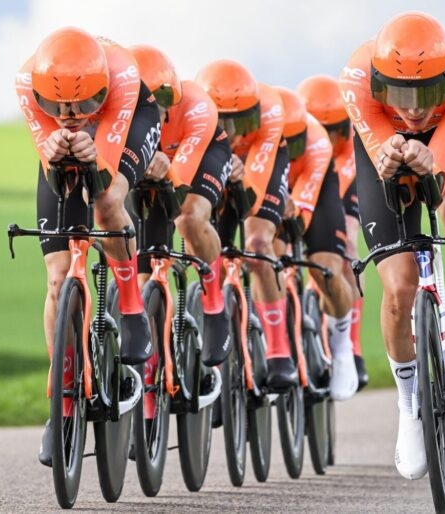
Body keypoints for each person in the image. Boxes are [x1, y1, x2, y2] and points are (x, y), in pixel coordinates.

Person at [339, 11, 445, 481]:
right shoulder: (355, 80)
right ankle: (409, 408)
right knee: (398, 286)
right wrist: (392, 151)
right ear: (377, 84)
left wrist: (430, 158)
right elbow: (386, 157)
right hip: (383, 141)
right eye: (399, 94)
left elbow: (439, 167)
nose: (414, 109)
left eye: (426, 94)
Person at [16, 27, 161, 466]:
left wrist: (91, 153)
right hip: (66, 146)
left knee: (106, 201)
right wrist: (54, 144)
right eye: (56, 106)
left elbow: (102, 166)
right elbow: (52, 157)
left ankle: (131, 302)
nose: (69, 113)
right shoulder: (26, 81)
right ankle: (60, 408)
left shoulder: (122, 77)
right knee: (58, 277)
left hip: (125, 123)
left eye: (82, 104)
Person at [128, 45, 233, 367]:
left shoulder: (196, 106)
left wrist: (161, 164)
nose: (150, 116)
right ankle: (153, 372)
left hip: (201, 157)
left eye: (157, 106)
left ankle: (214, 302)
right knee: (144, 269)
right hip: (152, 165)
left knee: (188, 217)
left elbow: (181, 179)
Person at [194, 60, 296, 389]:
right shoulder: (196, 116)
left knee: (257, 245)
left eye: (241, 120)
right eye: (223, 121)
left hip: (259, 163)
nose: (234, 131)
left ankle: (279, 349)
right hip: (217, 160)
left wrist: (236, 179)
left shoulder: (269, 113)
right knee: (212, 251)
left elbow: (251, 195)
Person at [273, 86, 358, 400]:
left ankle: (342, 346)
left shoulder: (319, 144)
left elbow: (304, 208)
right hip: (276, 185)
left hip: (316, 188)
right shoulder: (259, 138)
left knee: (327, 269)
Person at [297, 74, 369, 390]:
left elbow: (338, 206)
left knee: (346, 247)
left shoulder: (351, 145)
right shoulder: (306, 141)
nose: (326, 137)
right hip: (307, 173)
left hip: (341, 183)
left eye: (334, 131)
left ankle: (352, 346)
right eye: (320, 129)